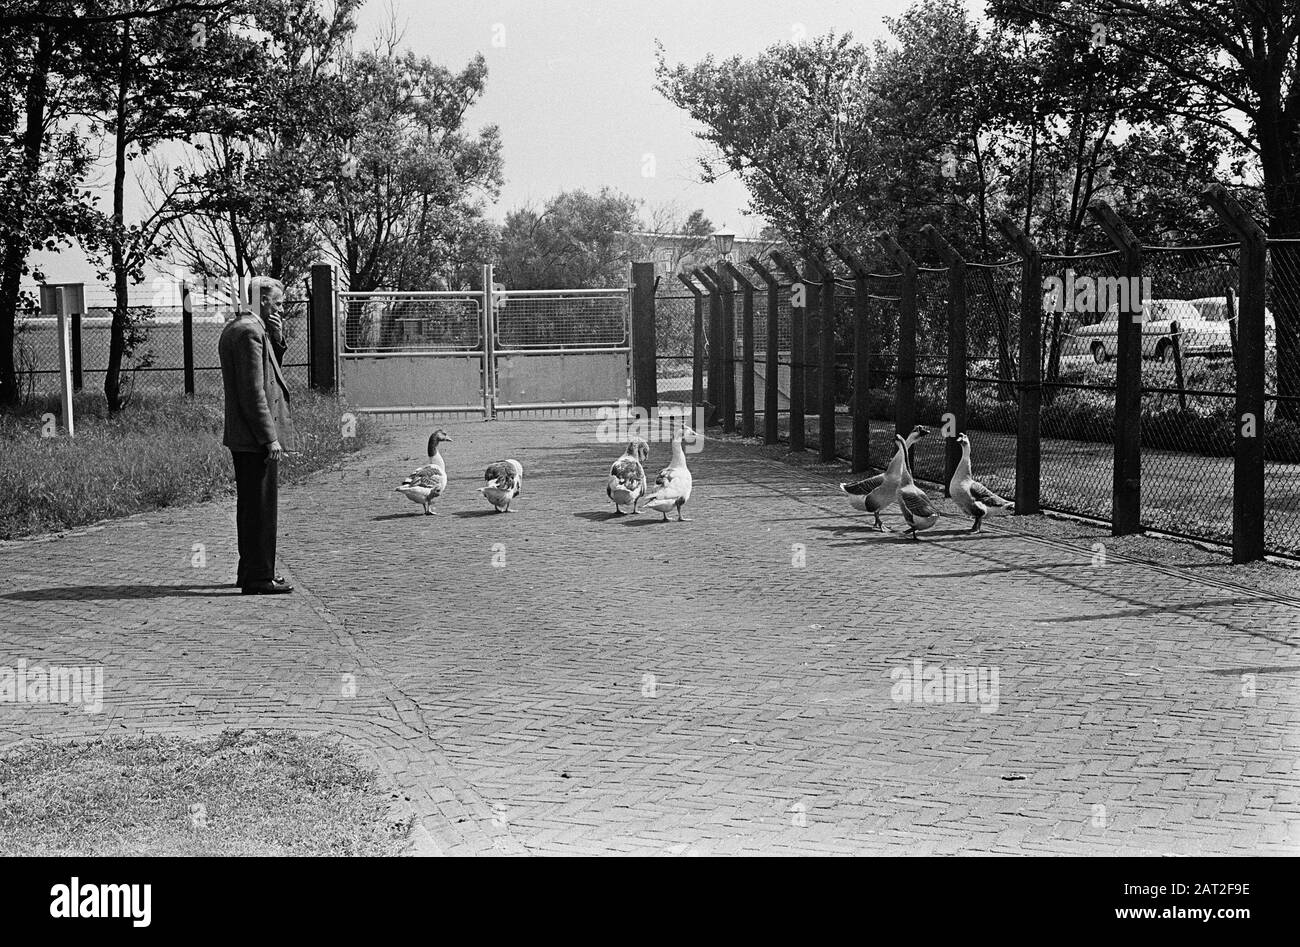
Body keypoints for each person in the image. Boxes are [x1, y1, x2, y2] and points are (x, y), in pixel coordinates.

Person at [218, 275, 298, 595]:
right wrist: (270, 437)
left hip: (245, 435)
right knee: (262, 508)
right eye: (277, 302)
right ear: (262, 300)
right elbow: (254, 392)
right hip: (254, 438)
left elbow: (268, 371)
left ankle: (249, 569)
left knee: (251, 506)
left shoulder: (241, 328)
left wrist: (276, 336)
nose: (280, 308)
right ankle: (260, 576)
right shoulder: (250, 332)